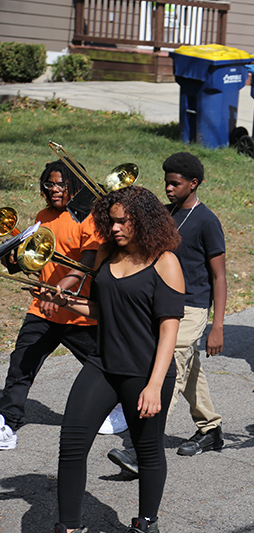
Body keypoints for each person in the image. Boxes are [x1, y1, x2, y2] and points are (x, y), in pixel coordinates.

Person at [43, 186, 184, 533]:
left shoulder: (165, 261)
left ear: (143, 221)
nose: (115, 228)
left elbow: (169, 331)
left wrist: (153, 386)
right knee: (72, 444)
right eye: (112, 222)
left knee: (148, 450)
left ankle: (146, 521)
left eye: (123, 222)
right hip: (102, 364)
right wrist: (63, 301)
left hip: (146, 372)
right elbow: (99, 309)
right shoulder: (107, 254)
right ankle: (69, 527)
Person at [107, 152, 225, 476]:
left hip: (192, 306)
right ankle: (210, 429)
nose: (169, 188)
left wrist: (217, 326)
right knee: (190, 368)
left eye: (175, 183)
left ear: (194, 183)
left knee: (170, 365)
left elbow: (220, 276)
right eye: (166, 182)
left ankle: (141, 448)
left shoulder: (207, 221)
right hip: (162, 301)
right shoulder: (164, 214)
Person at [0, 160, 102, 450]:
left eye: (61, 184)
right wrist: (13, 256)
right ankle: (7, 423)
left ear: (75, 186)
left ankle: (123, 409)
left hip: (78, 311)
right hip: (42, 308)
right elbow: (37, 259)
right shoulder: (43, 215)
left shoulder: (87, 217)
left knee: (106, 366)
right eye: (50, 184)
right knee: (21, 364)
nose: (55, 189)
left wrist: (58, 290)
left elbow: (88, 261)